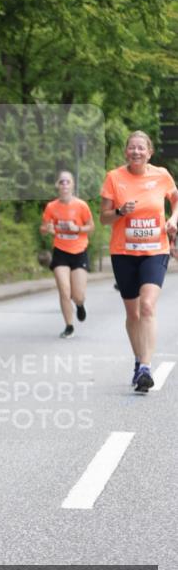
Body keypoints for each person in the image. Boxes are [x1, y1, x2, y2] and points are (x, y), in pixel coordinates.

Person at [100, 130, 178, 393]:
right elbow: (104, 218)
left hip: (155, 251)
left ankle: (145, 367)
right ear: (126, 152)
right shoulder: (114, 177)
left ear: (149, 153)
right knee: (132, 313)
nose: (136, 152)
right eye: (132, 148)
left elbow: (175, 199)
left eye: (141, 148)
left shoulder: (162, 175)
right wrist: (120, 211)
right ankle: (138, 361)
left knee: (147, 306)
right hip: (123, 253)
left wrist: (173, 219)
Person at [40, 171, 95, 338]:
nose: (64, 184)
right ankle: (69, 326)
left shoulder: (81, 206)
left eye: (67, 182)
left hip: (79, 251)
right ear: (57, 185)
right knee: (64, 290)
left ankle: (79, 304)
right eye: (61, 182)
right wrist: (47, 229)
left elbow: (91, 227)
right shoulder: (51, 207)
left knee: (78, 295)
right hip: (61, 251)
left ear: (72, 185)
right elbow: (43, 228)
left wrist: (77, 228)